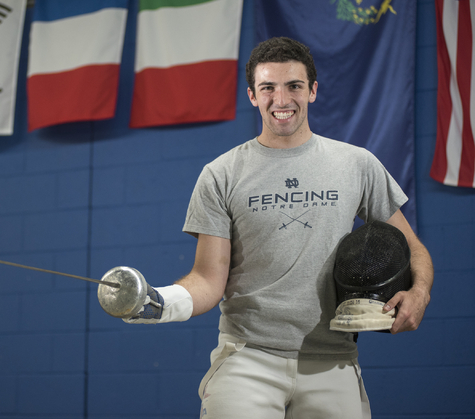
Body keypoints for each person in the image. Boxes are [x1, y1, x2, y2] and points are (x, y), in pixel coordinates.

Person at [122, 37, 434, 419]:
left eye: (294, 86)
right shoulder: (221, 175)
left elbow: (411, 247)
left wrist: (419, 292)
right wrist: (158, 302)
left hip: (333, 359)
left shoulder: (356, 164)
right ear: (253, 95)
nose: (281, 99)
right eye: (268, 87)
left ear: (313, 91)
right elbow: (208, 279)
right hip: (247, 360)